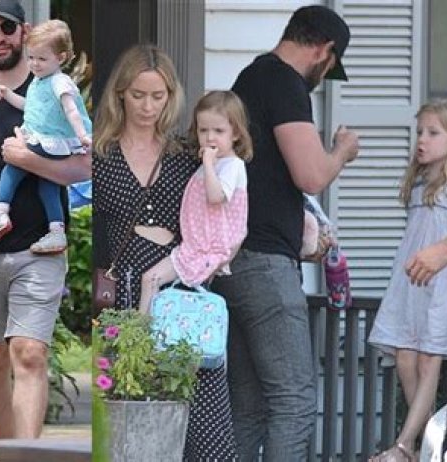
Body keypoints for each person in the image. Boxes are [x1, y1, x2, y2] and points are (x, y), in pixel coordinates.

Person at [210, 5, 359, 460]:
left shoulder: (250, 78)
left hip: (232, 261)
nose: (323, 77)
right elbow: (310, 175)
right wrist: (341, 151)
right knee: (294, 401)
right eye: (330, 67)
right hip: (266, 267)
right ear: (324, 51)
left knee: (248, 407)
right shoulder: (285, 84)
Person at [0, 0, 90, 439]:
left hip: (39, 244)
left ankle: (26, 454)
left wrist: (31, 161)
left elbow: (85, 166)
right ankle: (6, 450)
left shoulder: (53, 86)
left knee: (29, 353)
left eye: (6, 27)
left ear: (23, 31)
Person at [93, 43, 238, 461]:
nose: (147, 106)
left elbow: (227, 202)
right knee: (132, 416)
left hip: (181, 292)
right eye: (138, 95)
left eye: (158, 96)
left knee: (203, 410)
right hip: (125, 297)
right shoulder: (99, 156)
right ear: (120, 94)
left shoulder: (187, 156)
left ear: (170, 97)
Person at [367, 97, 447, 461]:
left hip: (445, 285)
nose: (422, 140)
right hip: (414, 282)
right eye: (420, 132)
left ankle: (404, 444)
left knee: (430, 359)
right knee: (405, 356)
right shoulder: (418, 182)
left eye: (433, 133)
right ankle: (425, 439)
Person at [0, 18, 92, 255]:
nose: (34, 64)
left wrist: (83, 135)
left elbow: (72, 110)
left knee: (12, 168)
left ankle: (0, 213)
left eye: (41, 59)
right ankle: (56, 230)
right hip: (48, 142)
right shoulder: (40, 81)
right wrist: (8, 94)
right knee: (48, 184)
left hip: (49, 141)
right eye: (30, 57)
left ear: (61, 58)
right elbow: (30, 107)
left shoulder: (59, 82)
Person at [138, 90, 252, 313]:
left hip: (208, 248)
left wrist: (208, 164)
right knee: (152, 281)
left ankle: (143, 330)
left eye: (218, 131)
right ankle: (144, 330)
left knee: (155, 281)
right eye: (203, 130)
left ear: (236, 133)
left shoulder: (232, 165)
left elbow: (216, 197)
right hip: (193, 246)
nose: (210, 138)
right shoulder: (212, 164)